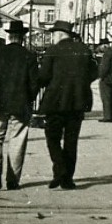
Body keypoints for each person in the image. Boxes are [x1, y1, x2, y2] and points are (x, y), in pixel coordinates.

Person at [36, 20, 99, 189]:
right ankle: (67, 179)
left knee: (53, 137)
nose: (53, 37)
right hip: (78, 101)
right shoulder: (84, 50)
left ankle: (60, 168)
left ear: (59, 34)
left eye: (53, 34)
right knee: (71, 140)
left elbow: (43, 76)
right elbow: (94, 72)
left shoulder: (53, 51)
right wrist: (80, 83)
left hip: (55, 102)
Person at [0, 20, 40, 191]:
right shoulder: (29, 56)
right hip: (20, 104)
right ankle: (13, 179)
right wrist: (28, 99)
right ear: (22, 37)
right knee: (17, 140)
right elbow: (34, 84)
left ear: (9, 35)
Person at [96, 37, 112, 123]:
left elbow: (104, 67)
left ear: (104, 45)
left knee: (106, 98)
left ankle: (107, 116)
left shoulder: (107, 54)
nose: (100, 48)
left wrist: (101, 76)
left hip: (106, 79)